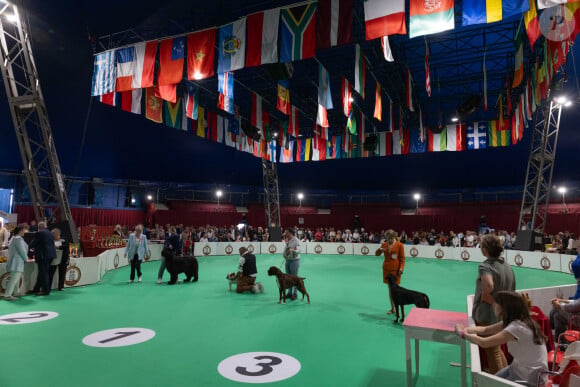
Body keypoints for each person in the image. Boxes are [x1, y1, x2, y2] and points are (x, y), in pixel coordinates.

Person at [455, 291, 547, 385]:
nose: (493, 305)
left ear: (504, 307)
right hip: (520, 368)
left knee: (489, 384)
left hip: (527, 376)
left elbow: (484, 343)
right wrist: (466, 329)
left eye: (496, 303)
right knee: (489, 382)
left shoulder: (516, 328)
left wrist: (462, 334)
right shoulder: (519, 320)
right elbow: (486, 330)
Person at [472, 234, 516, 374]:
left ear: (485, 249)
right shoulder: (507, 266)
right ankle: (504, 378)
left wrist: (488, 294)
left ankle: (497, 382)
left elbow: (488, 286)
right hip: (503, 314)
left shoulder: (485, 266)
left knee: (493, 352)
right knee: (496, 349)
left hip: (488, 314)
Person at [376, 230, 406, 315]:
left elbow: (402, 259)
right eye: (387, 238)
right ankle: (393, 308)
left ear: (393, 237)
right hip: (387, 270)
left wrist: (401, 268)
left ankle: (398, 309)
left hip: (396, 271)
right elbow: (376, 254)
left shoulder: (400, 245)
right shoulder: (384, 244)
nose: (388, 240)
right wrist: (380, 250)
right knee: (390, 290)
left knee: (397, 291)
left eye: (390, 238)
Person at [30, 221, 56, 296]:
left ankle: (46, 290)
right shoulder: (50, 233)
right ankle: (36, 289)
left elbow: (33, 243)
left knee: (43, 273)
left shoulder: (39, 233)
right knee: (42, 273)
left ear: (38, 227)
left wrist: (27, 247)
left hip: (43, 256)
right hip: (50, 255)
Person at [4, 226, 28, 300]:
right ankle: (7, 295)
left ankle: (16, 292)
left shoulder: (14, 238)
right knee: (14, 278)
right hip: (17, 262)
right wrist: (26, 258)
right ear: (20, 230)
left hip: (15, 261)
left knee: (17, 277)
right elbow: (22, 251)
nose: (25, 232)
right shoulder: (18, 239)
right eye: (24, 230)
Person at [283, 229, 301, 300]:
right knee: (288, 277)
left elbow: (299, 250)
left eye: (286, 233)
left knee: (294, 278)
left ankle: (295, 294)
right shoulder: (287, 240)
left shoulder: (297, 241)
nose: (285, 234)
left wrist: (293, 250)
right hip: (288, 260)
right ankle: (289, 293)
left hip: (295, 261)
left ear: (290, 233)